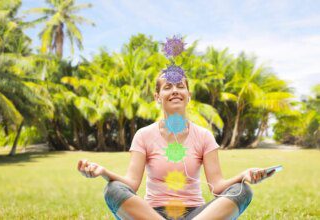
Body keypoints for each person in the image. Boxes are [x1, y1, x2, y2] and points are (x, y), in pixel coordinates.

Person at [77, 73, 273, 220]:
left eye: (180, 86)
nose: (175, 90)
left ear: (188, 95)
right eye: (168, 86)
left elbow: (218, 188)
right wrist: (103, 172)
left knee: (243, 191)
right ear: (157, 96)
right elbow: (131, 184)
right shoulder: (143, 135)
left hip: (196, 214)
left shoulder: (204, 136)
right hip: (153, 214)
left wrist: (244, 175)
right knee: (112, 189)